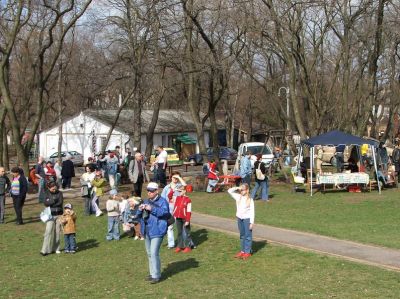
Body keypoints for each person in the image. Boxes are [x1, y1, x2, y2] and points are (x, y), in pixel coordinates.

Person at [136, 182, 169, 284]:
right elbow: (138, 216)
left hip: (158, 230)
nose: (149, 192)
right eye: (148, 190)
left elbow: (165, 213)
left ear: (156, 191)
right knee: (149, 253)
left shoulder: (163, 202)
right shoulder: (145, 201)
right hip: (147, 230)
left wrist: (152, 209)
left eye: (151, 191)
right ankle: (152, 273)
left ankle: (156, 275)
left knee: (154, 253)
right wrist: (139, 209)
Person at [228, 184, 255, 259]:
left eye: (243, 189)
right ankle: (242, 251)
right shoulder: (238, 197)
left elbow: (252, 212)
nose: (241, 191)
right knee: (242, 235)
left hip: (247, 219)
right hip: (239, 218)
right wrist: (237, 187)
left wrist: (251, 223)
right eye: (240, 189)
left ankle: (247, 252)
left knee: (248, 236)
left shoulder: (250, 200)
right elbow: (229, 191)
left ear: (247, 190)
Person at [161, 172, 187, 249]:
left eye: (176, 178)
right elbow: (163, 199)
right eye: (173, 177)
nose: (175, 179)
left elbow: (185, 186)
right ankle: (171, 244)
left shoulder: (180, 186)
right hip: (169, 209)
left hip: (179, 209)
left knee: (181, 226)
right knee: (170, 227)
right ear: (171, 177)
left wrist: (179, 177)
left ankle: (186, 242)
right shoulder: (166, 187)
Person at [40, 181, 63, 255]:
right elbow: (46, 203)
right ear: (49, 188)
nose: (54, 190)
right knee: (48, 232)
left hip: (59, 214)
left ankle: (56, 248)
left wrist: (51, 201)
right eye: (52, 189)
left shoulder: (60, 193)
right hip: (50, 215)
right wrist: (53, 201)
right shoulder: (46, 193)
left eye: (55, 189)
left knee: (57, 232)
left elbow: (60, 202)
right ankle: (45, 250)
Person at [173, 186, 193, 253]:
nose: (179, 192)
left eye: (180, 191)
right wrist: (174, 190)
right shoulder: (177, 198)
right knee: (179, 232)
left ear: (184, 191)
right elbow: (169, 196)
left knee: (187, 232)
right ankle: (180, 246)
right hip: (178, 217)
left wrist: (187, 220)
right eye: (178, 191)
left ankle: (188, 247)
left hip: (185, 218)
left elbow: (189, 211)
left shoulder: (188, 200)